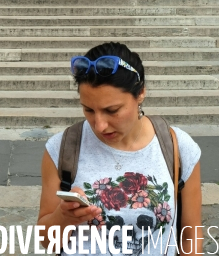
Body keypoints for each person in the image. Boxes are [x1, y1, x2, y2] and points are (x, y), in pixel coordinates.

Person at [38, 41, 202, 256]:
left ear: (140, 93)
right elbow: (47, 242)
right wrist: (64, 217)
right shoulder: (62, 148)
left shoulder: (177, 146)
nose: (99, 125)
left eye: (112, 110)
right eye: (88, 109)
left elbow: (191, 236)